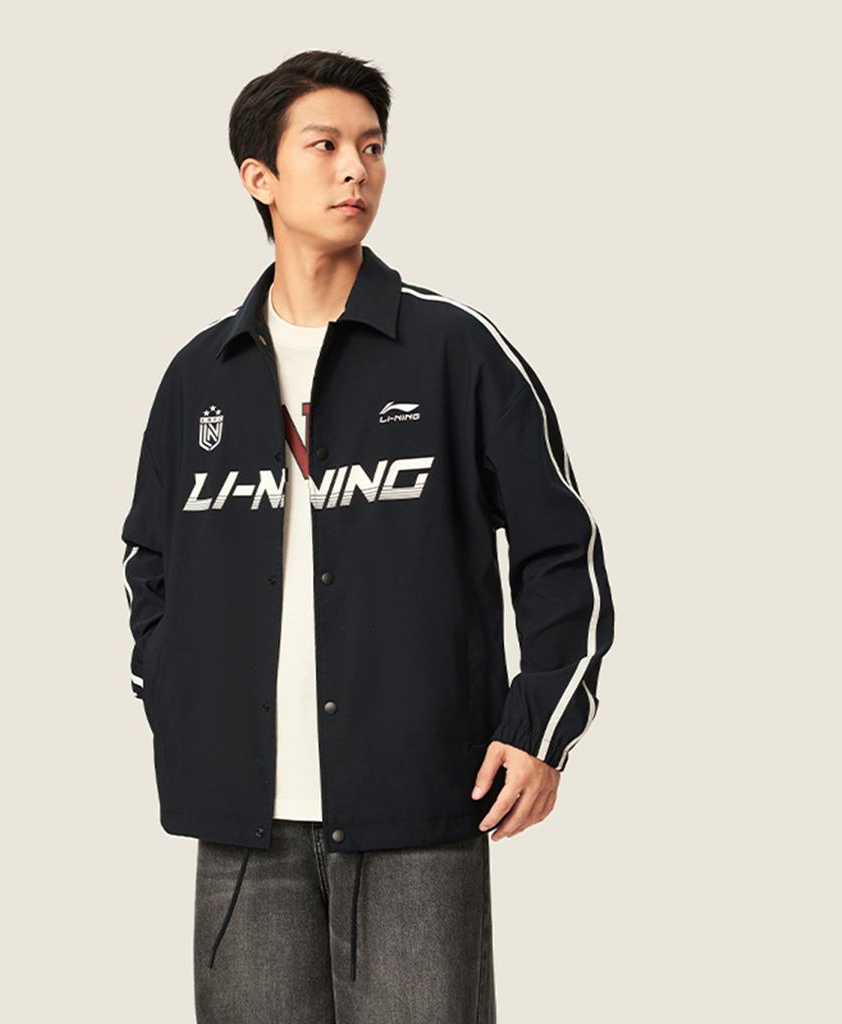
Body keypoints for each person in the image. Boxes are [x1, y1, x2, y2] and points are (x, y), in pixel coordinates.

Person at [120, 49, 615, 1024]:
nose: (357, 168)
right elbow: (150, 561)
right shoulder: (199, 376)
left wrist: (540, 728)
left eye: (373, 147)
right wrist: (179, 699)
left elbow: (563, 554)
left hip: (417, 808)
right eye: (326, 146)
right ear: (259, 178)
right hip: (243, 827)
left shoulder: (455, 351)